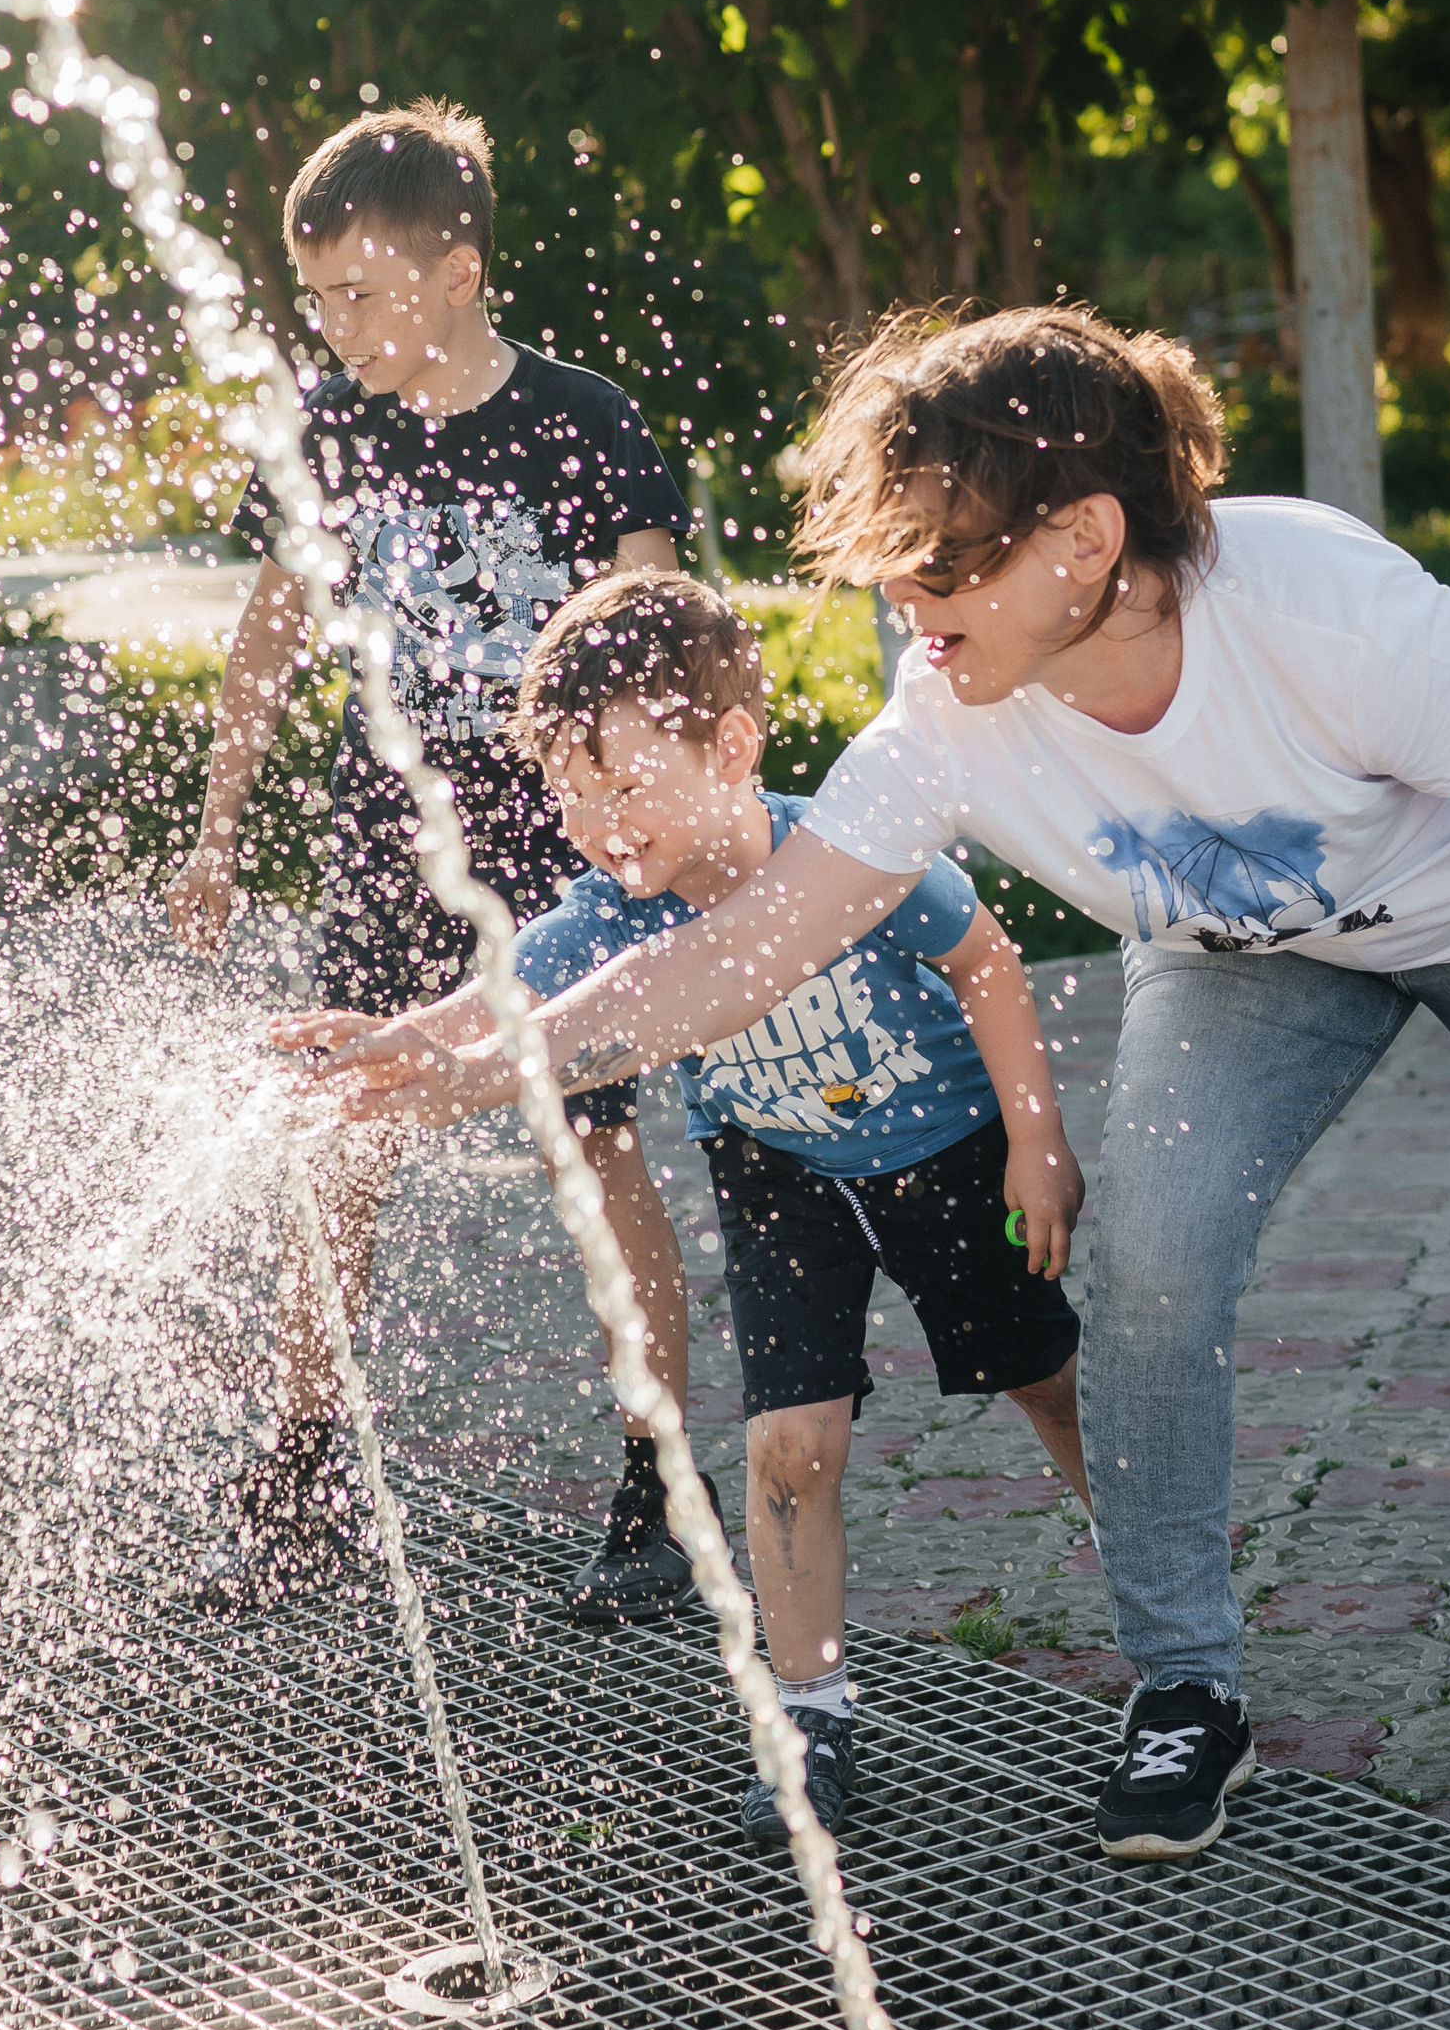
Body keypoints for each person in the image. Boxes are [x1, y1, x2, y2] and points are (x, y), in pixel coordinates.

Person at [297, 303, 1450, 1865]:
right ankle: (1188, 1687)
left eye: (939, 565)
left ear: (1081, 540)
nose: (899, 599)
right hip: (1244, 955)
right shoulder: (945, 717)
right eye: (892, 563)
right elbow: (737, 956)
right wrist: (464, 1065)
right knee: (1145, 1265)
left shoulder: (1323, 610)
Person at [307, 565, 1088, 1835]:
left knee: (1042, 1378)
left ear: (731, 745)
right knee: (788, 1447)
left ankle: (1150, 1573)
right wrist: (391, 1049)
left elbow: (985, 956)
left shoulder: (846, 851)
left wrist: (1036, 1145)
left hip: (945, 1147)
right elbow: (502, 1006)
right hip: (775, 1170)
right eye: (570, 796)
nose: (599, 823)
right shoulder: (614, 907)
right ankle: (809, 1718)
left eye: (623, 783)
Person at [163, 98, 692, 1608]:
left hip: (559, 834)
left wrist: (654, 822)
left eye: (363, 296)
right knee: (336, 1134)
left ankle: (657, 1484)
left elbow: (652, 631)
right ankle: (310, 1466)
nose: (335, 330)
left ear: (458, 273)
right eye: (315, 299)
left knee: (589, 1146)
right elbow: (273, 627)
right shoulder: (329, 429)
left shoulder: (579, 421)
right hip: (391, 826)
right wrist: (218, 821)